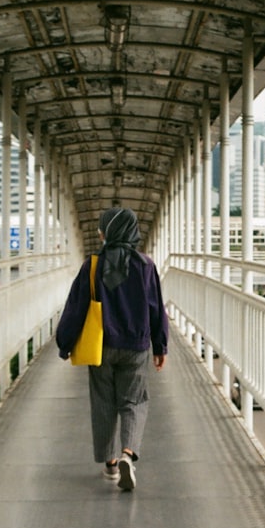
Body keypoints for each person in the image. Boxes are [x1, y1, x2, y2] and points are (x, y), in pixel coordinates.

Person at [55, 206, 169, 491]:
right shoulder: (146, 266)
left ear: (107, 232)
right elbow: (156, 308)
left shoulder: (91, 265)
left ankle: (110, 463)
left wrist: (65, 342)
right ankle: (128, 453)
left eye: (101, 228)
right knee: (134, 401)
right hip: (136, 345)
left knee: (103, 401)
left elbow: (76, 307)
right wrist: (160, 345)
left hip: (100, 345)